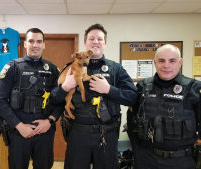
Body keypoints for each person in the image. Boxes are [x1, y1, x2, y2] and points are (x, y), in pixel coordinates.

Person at [51, 23, 137, 169]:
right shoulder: (71, 68)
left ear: (105, 43)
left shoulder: (116, 69)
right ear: (85, 43)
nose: (95, 42)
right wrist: (65, 87)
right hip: (77, 135)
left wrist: (109, 89)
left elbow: (132, 98)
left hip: (107, 135)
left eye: (99, 39)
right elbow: (54, 99)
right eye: (91, 38)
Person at [127, 44, 201, 169]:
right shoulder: (142, 87)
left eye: (172, 61)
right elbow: (131, 122)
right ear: (155, 62)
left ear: (180, 62)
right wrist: (137, 151)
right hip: (146, 160)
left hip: (181, 161)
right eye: (161, 61)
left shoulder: (196, 89)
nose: (166, 65)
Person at [0, 28, 61, 169]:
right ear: (25, 44)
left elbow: (61, 100)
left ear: (43, 44)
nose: (35, 45)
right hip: (19, 131)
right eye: (31, 41)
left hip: (45, 131)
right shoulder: (12, 67)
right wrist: (18, 125)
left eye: (39, 41)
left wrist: (50, 120)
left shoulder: (53, 70)